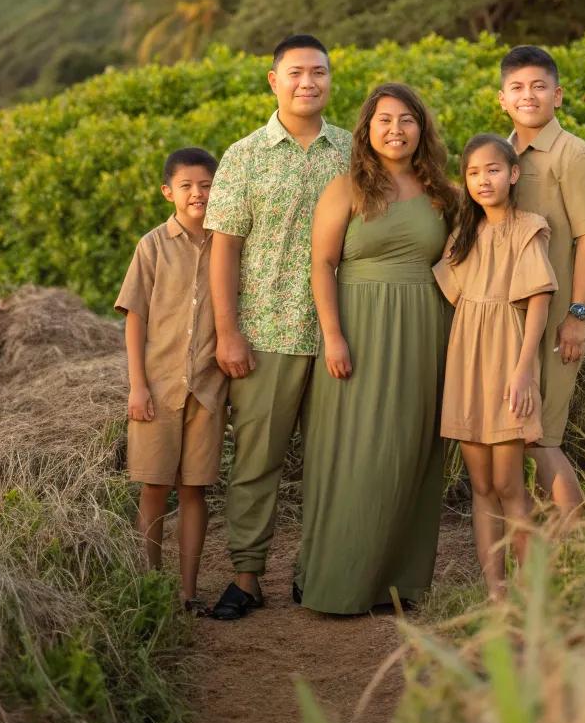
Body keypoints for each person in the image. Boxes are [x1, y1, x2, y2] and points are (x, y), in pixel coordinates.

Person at [205, 34, 351, 621]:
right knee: (257, 461)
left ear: (330, 80)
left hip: (342, 331)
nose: (308, 82)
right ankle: (247, 575)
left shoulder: (351, 150)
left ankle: (319, 571)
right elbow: (224, 249)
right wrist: (228, 331)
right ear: (274, 81)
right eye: (296, 73)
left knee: (333, 460)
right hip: (266, 331)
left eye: (318, 72)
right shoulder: (245, 155)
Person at [296, 83, 456, 614]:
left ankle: (401, 580)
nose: (396, 129)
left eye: (407, 119)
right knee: (356, 452)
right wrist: (334, 335)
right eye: (384, 120)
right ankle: (338, 581)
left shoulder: (443, 192)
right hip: (357, 325)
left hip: (424, 327)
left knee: (409, 448)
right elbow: (322, 264)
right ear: (366, 129)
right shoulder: (344, 189)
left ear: (421, 129)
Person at [434, 134, 556, 598]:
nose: (484, 180)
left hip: (509, 356)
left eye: (493, 170)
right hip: (468, 358)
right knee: (481, 483)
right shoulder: (465, 235)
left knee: (508, 483)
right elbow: (453, 292)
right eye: (473, 173)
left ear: (514, 174)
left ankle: (530, 590)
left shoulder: (529, 227)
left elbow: (540, 303)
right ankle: (496, 592)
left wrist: (524, 370)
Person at [498, 45, 585, 523]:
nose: (529, 96)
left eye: (539, 86)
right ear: (501, 98)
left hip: (556, 318)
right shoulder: (501, 156)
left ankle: (581, 552)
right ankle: (553, 549)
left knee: (542, 436)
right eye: (518, 88)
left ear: (558, 95)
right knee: (522, 436)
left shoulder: (573, 156)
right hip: (511, 321)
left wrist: (577, 316)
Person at [116, 147, 225, 615]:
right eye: (187, 186)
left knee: (196, 488)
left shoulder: (228, 243)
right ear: (168, 192)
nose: (197, 193)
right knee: (154, 486)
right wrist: (137, 386)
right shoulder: (153, 245)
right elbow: (135, 317)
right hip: (158, 388)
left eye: (205, 184)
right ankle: (149, 586)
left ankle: (188, 590)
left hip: (208, 387)